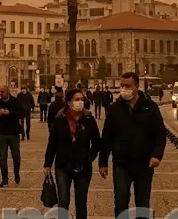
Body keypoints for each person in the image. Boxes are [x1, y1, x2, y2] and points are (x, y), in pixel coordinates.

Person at [98, 72, 166, 217]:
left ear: (136, 86)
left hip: (144, 163)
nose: (123, 89)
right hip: (121, 163)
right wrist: (103, 162)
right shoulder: (115, 108)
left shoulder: (150, 107)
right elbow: (107, 136)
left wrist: (156, 155)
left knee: (142, 203)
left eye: (127, 86)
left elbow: (160, 133)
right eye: (121, 85)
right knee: (121, 202)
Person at [44, 89, 101, 219]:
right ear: (69, 102)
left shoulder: (88, 119)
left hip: (83, 166)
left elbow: (97, 142)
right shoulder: (60, 119)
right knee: (63, 201)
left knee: (81, 202)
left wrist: (89, 157)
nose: (80, 102)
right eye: (76, 99)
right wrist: (47, 164)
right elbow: (52, 143)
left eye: (82, 99)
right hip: (63, 165)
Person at [0, 84, 24, 187]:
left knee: (16, 156)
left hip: (13, 133)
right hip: (2, 133)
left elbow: (22, 113)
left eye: (2, 92)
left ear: (7, 92)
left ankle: (16, 174)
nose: (0, 94)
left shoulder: (15, 101)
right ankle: (4, 179)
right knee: (3, 157)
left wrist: (10, 113)